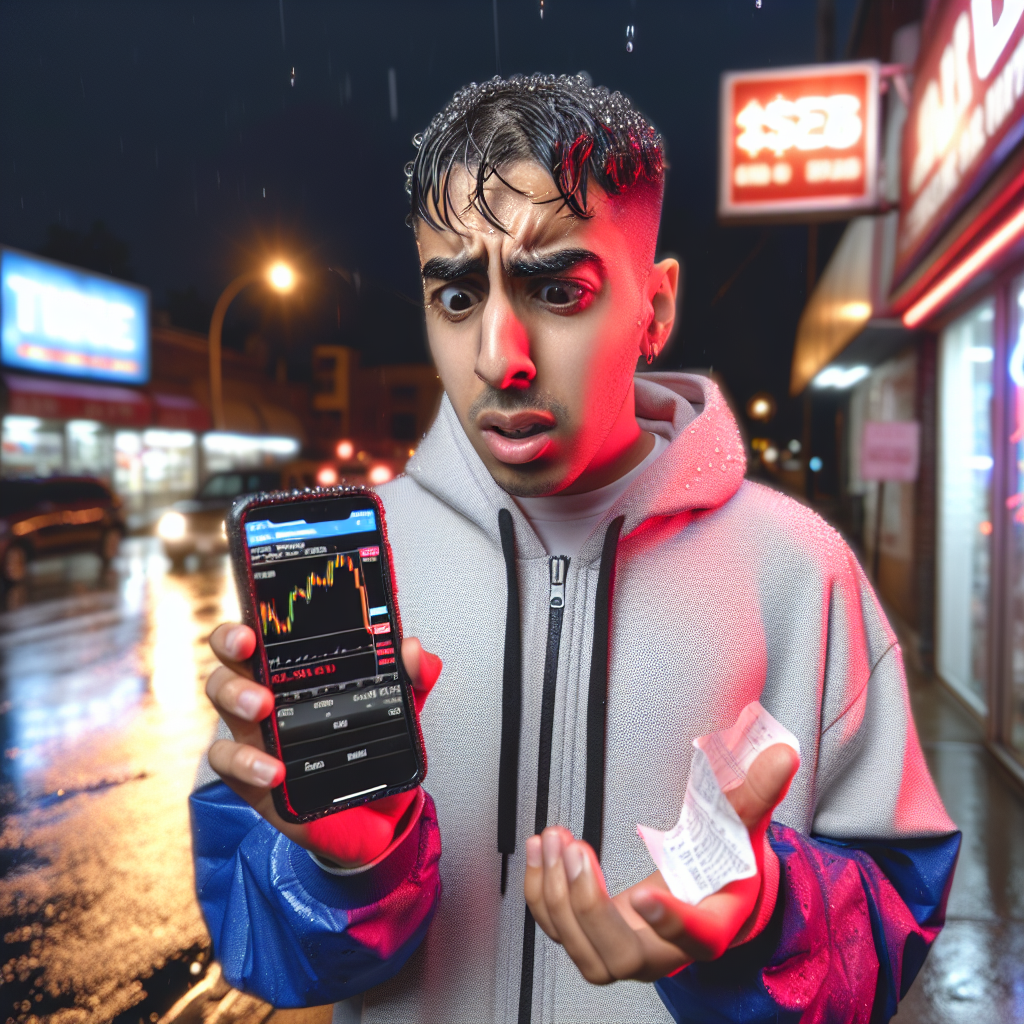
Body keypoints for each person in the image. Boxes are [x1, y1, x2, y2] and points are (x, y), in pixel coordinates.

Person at [190, 74, 960, 1024]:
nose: (498, 355)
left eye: (557, 288)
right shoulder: (354, 575)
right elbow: (254, 939)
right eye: (458, 294)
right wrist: (350, 869)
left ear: (656, 305)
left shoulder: (802, 574)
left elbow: (897, 916)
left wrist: (765, 915)